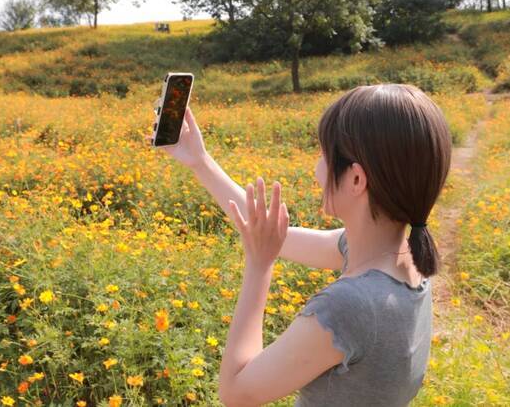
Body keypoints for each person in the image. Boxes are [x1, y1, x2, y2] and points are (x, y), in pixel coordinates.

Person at [144, 83, 452, 406]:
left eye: (323, 155)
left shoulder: (351, 306)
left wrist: (260, 266)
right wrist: (200, 161)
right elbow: (275, 233)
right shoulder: (408, 261)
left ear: (357, 180)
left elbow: (236, 392)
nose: (316, 169)